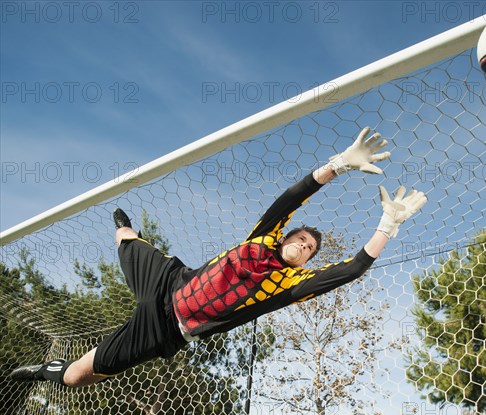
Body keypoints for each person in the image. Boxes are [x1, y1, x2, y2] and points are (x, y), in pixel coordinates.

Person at [9, 127, 427, 388]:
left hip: (166, 328)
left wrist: (387, 223)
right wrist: (338, 164)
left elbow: (351, 269)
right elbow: (292, 197)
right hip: (171, 281)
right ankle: (127, 230)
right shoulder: (263, 239)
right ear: (287, 235)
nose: (303, 245)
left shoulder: (288, 286)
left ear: (305, 262)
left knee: (78, 376)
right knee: (124, 239)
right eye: (300, 238)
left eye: (310, 249)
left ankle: (47, 371)